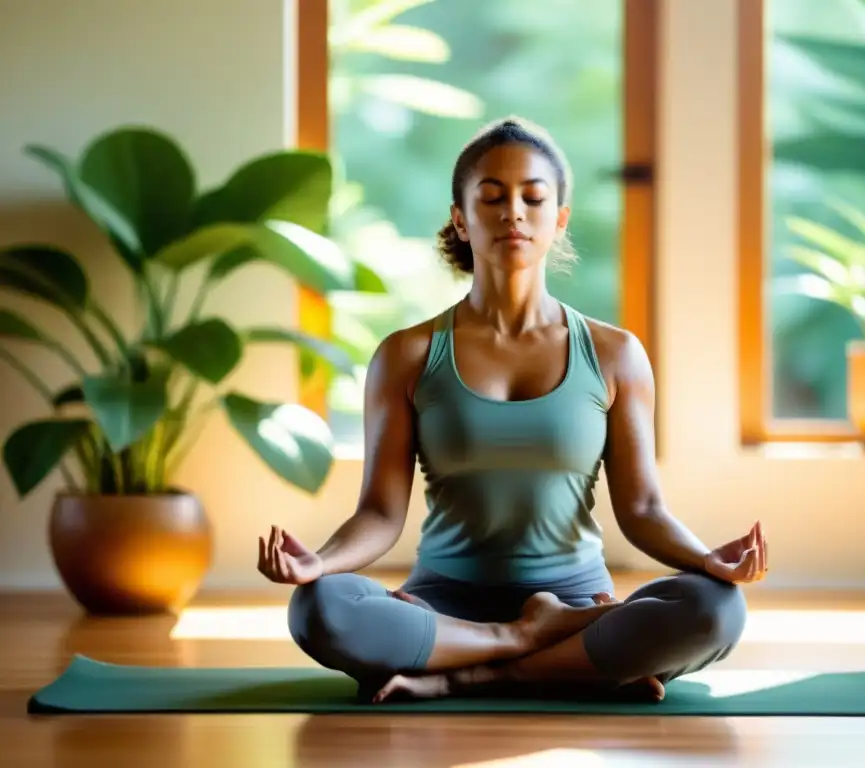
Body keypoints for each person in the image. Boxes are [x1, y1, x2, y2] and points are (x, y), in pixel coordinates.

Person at [257, 116, 768, 704]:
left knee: (716, 608)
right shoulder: (407, 355)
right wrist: (316, 563)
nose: (514, 213)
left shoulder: (614, 355)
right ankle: (544, 647)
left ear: (560, 218)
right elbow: (378, 513)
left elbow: (645, 508)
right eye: (491, 197)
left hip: (577, 604)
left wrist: (708, 559)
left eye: (533, 197)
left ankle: (474, 671)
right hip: (445, 605)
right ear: (461, 218)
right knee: (319, 607)